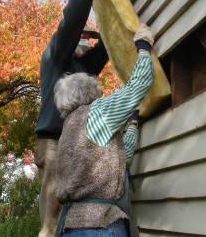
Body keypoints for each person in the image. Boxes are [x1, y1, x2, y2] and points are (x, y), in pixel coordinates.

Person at [34, 0, 112, 237]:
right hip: (54, 143)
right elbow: (72, 22)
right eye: (82, 35)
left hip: (72, 142)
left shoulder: (80, 64)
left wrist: (114, 25)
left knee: (70, 221)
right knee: (52, 223)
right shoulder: (56, 55)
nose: (84, 39)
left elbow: (105, 50)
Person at [54, 23, 155, 237]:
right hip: (100, 225)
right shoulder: (96, 112)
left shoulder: (68, 129)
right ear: (89, 91)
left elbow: (119, 158)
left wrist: (133, 124)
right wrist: (144, 47)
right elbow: (138, 86)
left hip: (70, 227)